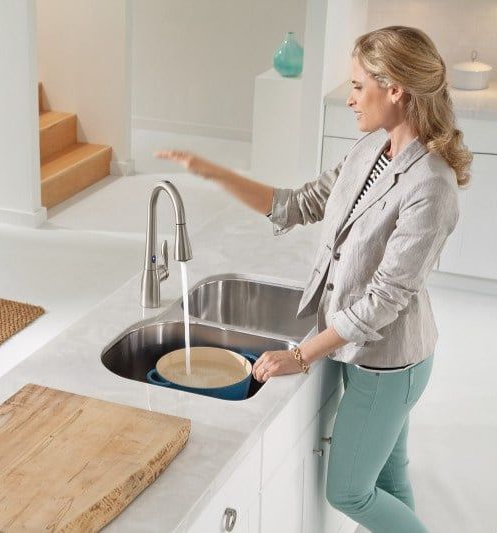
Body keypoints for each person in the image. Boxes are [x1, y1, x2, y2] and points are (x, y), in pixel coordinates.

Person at [156, 26, 471, 533]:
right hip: (371, 357)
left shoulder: (431, 185)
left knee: (349, 491)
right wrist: (216, 173)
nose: (350, 99)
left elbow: (382, 301)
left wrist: (300, 355)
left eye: (358, 86)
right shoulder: (372, 149)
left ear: (395, 90)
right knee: (389, 480)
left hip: (389, 365)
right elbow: (298, 204)